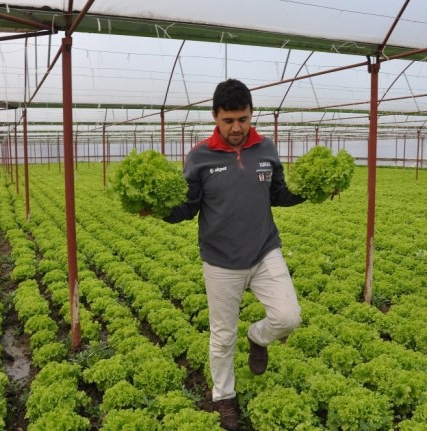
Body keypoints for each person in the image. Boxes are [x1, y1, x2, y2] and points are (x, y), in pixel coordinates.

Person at [162, 79, 306, 430]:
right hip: (220, 260)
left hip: (264, 250)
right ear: (215, 117)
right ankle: (224, 397)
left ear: (251, 114)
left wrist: (310, 191)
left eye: (243, 119)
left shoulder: (266, 149)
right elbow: (189, 206)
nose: (237, 128)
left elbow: (279, 194)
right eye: (228, 121)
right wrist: (159, 209)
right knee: (222, 335)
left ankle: (258, 338)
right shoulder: (199, 157)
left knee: (289, 317)